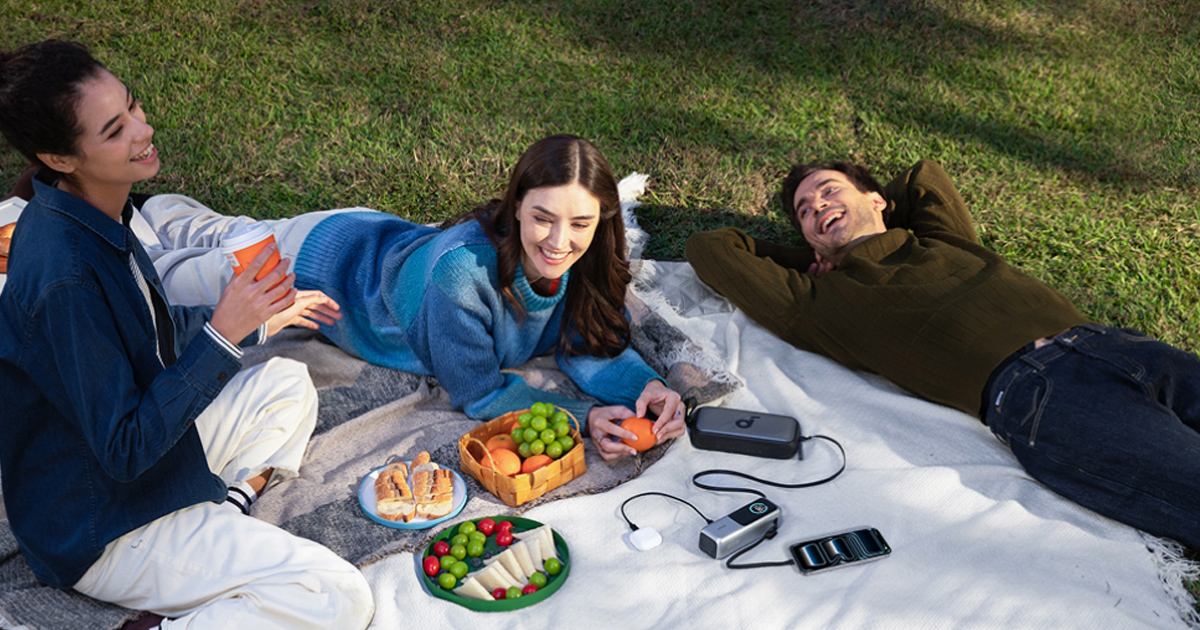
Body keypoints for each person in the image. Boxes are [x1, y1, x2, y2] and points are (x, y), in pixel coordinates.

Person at [0, 39, 374, 629]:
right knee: (336, 594)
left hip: (157, 467)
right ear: (61, 157)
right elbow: (124, 450)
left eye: (133, 107)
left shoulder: (100, 210)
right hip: (105, 522)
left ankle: (224, 514)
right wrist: (223, 334)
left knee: (285, 380)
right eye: (114, 129)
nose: (142, 131)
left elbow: (153, 332)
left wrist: (256, 324)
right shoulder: (64, 275)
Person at [71, 134, 688, 461]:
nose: (559, 241)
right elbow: (481, 394)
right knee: (155, 282)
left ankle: (179, 216)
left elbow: (585, 343)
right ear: (515, 206)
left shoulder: (584, 255)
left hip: (384, 242)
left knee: (221, 231)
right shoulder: (462, 277)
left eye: (580, 224)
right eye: (542, 218)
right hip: (322, 262)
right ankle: (117, 226)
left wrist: (642, 389)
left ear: (602, 219)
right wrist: (581, 420)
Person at [685, 158, 1200, 548]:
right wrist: (821, 254)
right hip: (1039, 394)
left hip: (1114, 343)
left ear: (877, 199)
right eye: (805, 211)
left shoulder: (941, 241)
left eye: (829, 191)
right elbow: (709, 249)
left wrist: (869, 229)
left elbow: (924, 176)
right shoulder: (818, 301)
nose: (817, 206)